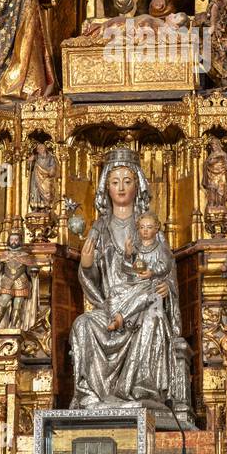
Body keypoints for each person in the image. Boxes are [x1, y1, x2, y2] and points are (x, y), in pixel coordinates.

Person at [69, 146, 187, 416]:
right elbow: (92, 282)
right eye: (114, 182)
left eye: (127, 181)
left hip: (144, 307)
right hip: (109, 306)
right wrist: (86, 267)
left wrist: (166, 286)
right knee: (83, 324)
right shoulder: (99, 228)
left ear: (138, 185)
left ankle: (141, 394)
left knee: (153, 320)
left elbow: (167, 270)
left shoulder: (149, 227)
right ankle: (92, 396)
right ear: (105, 188)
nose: (121, 188)